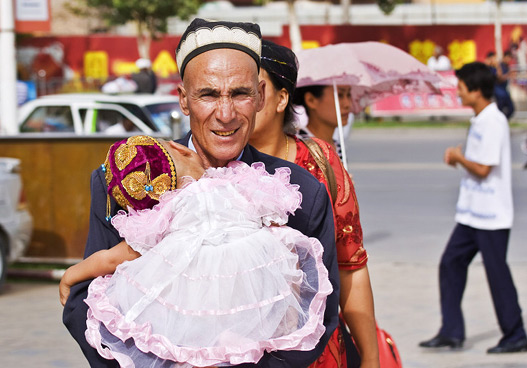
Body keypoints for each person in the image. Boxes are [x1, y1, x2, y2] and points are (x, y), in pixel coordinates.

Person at [63, 18, 340, 368]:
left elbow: (320, 313)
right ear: (183, 99)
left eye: (239, 94)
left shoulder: (298, 193)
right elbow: (83, 301)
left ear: (259, 96)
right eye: (208, 94)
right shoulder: (130, 181)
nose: (225, 114)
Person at [60, 135, 332, 367]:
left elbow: (117, 256)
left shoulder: (166, 210)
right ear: (180, 148)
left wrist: (72, 274)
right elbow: (274, 216)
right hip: (249, 279)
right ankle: (266, 335)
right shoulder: (239, 181)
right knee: (279, 291)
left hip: (193, 294)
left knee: (181, 328)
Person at [249, 40, 379, 368]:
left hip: (319, 353)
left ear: (281, 98)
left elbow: (351, 268)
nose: (239, 102)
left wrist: (371, 358)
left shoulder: (321, 163)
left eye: (251, 88)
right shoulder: (214, 166)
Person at [419, 62, 527, 354]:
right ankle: (451, 331)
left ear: (477, 91)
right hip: (471, 214)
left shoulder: (494, 121)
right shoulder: (480, 119)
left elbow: (482, 168)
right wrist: (460, 157)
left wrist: (458, 156)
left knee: (496, 273)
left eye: (462, 87)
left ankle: (516, 334)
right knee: (450, 263)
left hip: (491, 216)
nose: (458, 92)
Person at [293, 84, 352, 163]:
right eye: (339, 95)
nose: (347, 104)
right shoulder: (298, 146)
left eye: (348, 95)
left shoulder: (338, 147)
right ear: (311, 100)